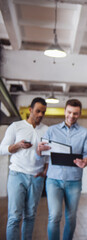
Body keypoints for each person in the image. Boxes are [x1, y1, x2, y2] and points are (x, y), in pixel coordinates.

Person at [37, 99, 87, 240]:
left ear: (79, 114)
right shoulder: (51, 130)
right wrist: (39, 150)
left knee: (71, 217)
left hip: (74, 180)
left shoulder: (84, 133)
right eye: (69, 112)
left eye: (75, 113)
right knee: (54, 215)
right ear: (64, 111)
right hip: (53, 180)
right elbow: (41, 156)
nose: (71, 116)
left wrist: (85, 161)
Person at [0, 97, 48, 240]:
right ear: (30, 110)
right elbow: (2, 149)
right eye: (38, 111)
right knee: (14, 217)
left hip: (37, 177)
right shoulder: (16, 126)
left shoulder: (47, 130)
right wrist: (17, 145)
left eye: (43, 112)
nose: (40, 115)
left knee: (30, 216)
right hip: (17, 175)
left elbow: (48, 155)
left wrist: (45, 170)